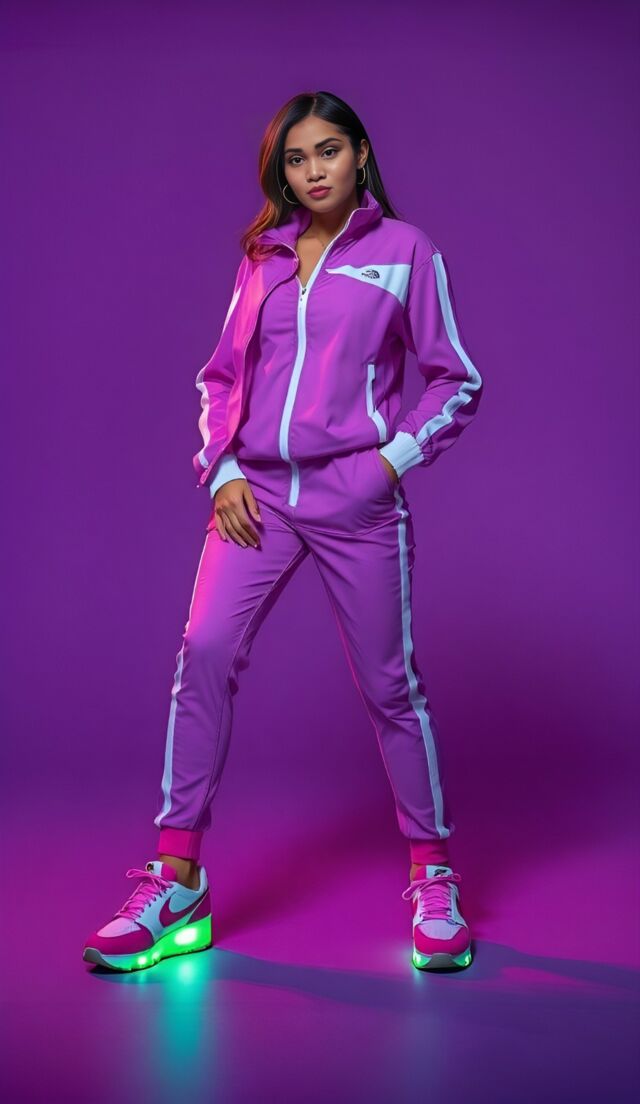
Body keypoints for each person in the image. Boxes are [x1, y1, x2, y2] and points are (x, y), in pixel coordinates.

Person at [83, 90, 483, 974]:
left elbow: (456, 378)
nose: (313, 171)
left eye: (328, 151)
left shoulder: (405, 252)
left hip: (355, 499)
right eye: (296, 160)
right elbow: (221, 377)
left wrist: (387, 463)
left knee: (389, 687)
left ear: (361, 154)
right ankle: (177, 881)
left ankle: (433, 876)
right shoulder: (262, 258)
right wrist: (222, 470)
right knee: (204, 653)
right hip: (257, 494)